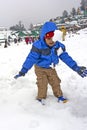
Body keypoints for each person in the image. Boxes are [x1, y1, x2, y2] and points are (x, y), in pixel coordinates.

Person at [14, 21, 87, 105]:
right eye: (49, 38)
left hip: (51, 68)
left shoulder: (58, 46)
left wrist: (76, 67)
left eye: (53, 38)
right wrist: (23, 70)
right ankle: (41, 98)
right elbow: (31, 59)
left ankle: (59, 96)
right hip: (40, 68)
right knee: (42, 84)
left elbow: (66, 58)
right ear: (44, 37)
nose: (51, 41)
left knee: (56, 82)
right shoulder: (38, 46)